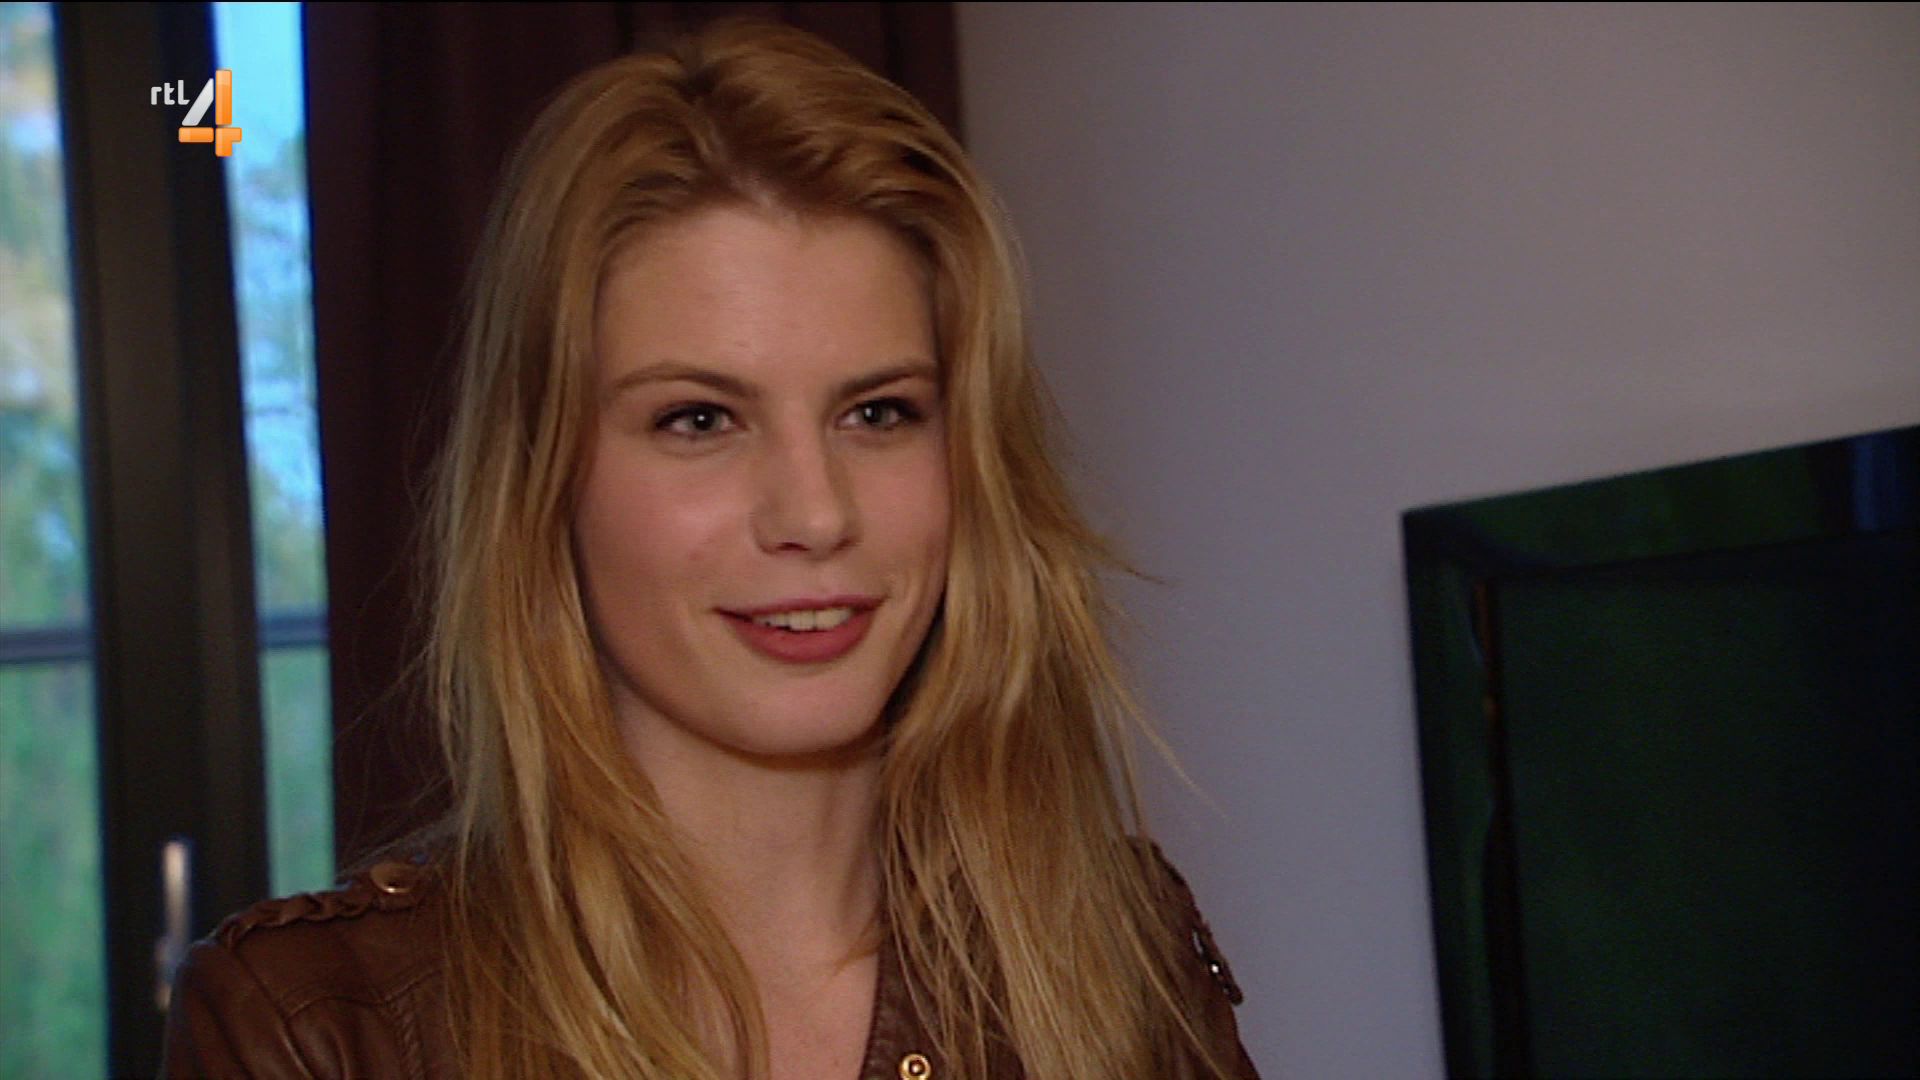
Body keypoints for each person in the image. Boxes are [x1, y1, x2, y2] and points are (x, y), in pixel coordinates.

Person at [162, 18, 1258, 1080]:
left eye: (877, 413)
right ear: (545, 482)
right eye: (700, 419)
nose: (814, 513)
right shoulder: (315, 1033)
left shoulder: (1122, 956)